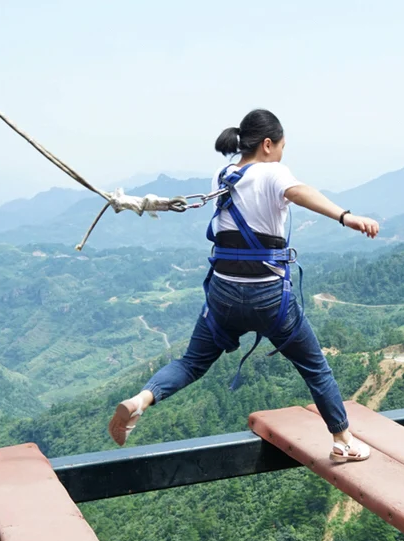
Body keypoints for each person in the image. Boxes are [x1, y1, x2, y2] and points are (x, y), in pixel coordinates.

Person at [108, 108, 380, 462]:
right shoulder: (272, 171)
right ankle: (343, 440)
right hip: (268, 298)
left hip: (222, 295)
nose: (283, 154)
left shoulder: (223, 175)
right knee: (315, 367)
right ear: (268, 144)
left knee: (192, 363)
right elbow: (299, 192)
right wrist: (347, 216)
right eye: (281, 146)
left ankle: (141, 400)